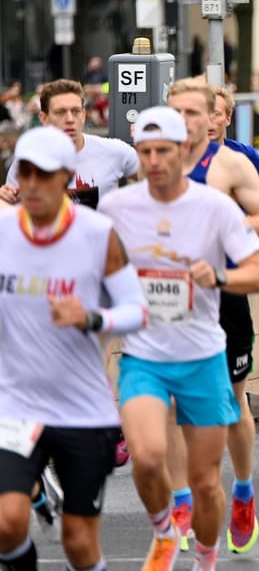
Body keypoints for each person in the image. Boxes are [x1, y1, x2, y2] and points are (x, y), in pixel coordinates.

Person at [100, 106, 259, 571]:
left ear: (182, 150)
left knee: (204, 480)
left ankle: (207, 557)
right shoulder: (116, 208)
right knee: (148, 458)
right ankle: (163, 532)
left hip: (202, 357)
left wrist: (217, 276)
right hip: (143, 357)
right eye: (144, 151)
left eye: (162, 151)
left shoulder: (213, 206)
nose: (153, 160)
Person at [0, 127, 150, 571]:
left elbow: (136, 312)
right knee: (7, 523)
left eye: (43, 175)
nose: (31, 184)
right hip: (17, 408)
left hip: (84, 412)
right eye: (24, 173)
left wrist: (91, 318)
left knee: (79, 544)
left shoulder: (98, 235)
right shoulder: (3, 233)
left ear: (66, 176)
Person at [165, 80, 259, 554]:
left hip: (224, 291)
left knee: (232, 404)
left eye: (203, 112)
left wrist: (215, 220)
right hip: (170, 296)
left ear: (218, 115)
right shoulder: (154, 158)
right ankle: (180, 502)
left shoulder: (233, 162)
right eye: (184, 112)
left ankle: (244, 492)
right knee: (172, 403)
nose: (196, 121)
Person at [1, 79, 138, 208]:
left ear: (83, 115)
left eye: (75, 111)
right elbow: (11, 210)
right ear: (44, 118)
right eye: (60, 112)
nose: (70, 119)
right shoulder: (29, 160)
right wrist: (4, 198)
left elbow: (156, 182)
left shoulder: (114, 150)